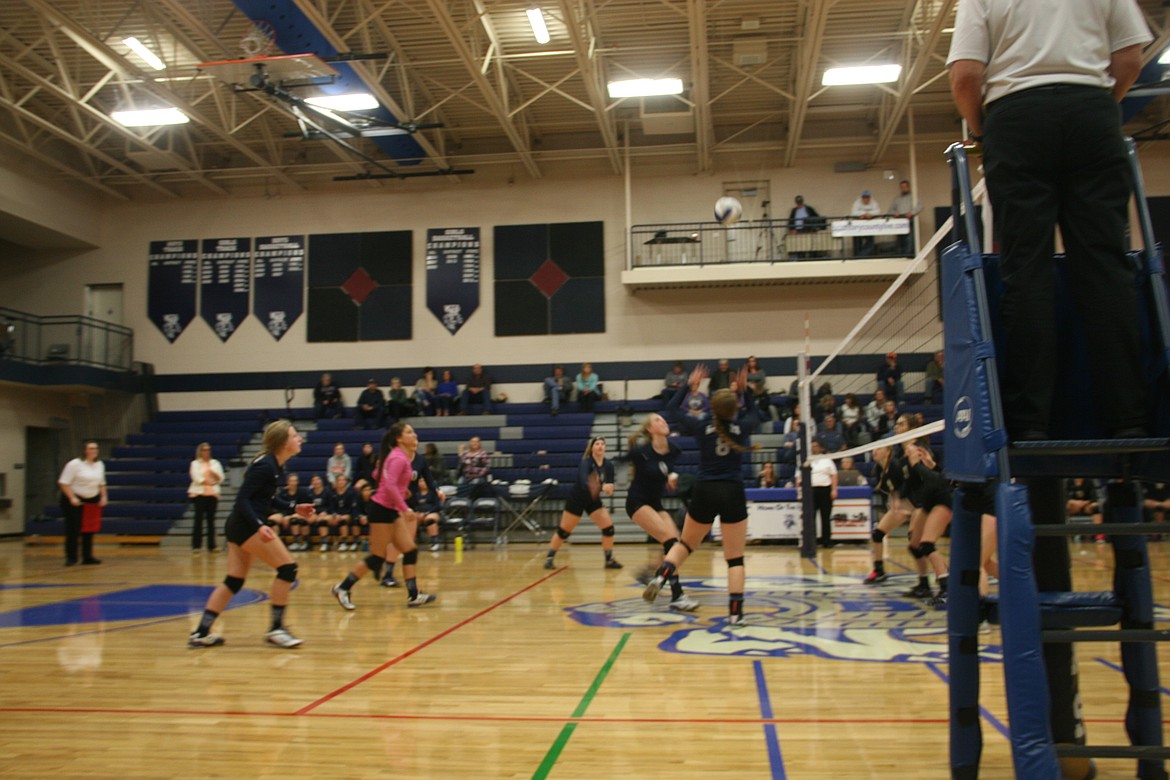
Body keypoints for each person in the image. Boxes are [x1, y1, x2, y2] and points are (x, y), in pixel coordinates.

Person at [947, 0, 1150, 441]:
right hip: (1092, 110)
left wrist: (984, 132)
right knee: (1107, 268)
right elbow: (1130, 59)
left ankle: (1029, 423)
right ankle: (1128, 419)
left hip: (1015, 120)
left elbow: (965, 77)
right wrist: (1097, 106)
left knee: (1026, 271)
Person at [644, 363, 760, 626]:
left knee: (685, 544)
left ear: (711, 408)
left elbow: (672, 410)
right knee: (734, 559)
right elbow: (756, 414)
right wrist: (746, 392)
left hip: (705, 489)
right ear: (735, 408)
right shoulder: (743, 427)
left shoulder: (701, 424)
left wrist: (689, 386)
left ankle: (661, 577)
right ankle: (735, 614)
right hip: (732, 490)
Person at [188, 420, 314, 649]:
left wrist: (293, 508)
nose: (300, 439)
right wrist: (258, 525)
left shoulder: (275, 465)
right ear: (284, 442)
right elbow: (243, 499)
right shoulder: (265, 466)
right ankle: (276, 629)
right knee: (288, 568)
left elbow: (266, 498)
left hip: (239, 525)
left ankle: (201, 632)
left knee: (234, 580)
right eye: (295, 436)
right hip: (246, 525)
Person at [331, 422, 437, 610]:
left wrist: (402, 491)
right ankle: (343, 587)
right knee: (377, 557)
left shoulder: (396, 456)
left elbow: (379, 476)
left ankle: (413, 595)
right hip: (381, 510)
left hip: (390, 509)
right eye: (409, 432)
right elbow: (389, 485)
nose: (414, 435)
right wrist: (405, 507)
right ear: (399, 438)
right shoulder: (399, 458)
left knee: (410, 550)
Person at [620, 414, 698, 611]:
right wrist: (607, 480)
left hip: (655, 502)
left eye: (664, 420)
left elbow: (664, 469)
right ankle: (677, 594)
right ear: (650, 429)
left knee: (677, 543)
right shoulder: (640, 451)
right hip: (637, 502)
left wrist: (671, 477)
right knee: (670, 542)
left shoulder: (674, 450)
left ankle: (651, 574)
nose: (663, 422)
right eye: (658, 421)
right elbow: (618, 462)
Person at [543, 436, 622, 570]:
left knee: (608, 528)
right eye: (597, 444)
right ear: (592, 448)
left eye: (603, 444)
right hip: (578, 498)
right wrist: (601, 487)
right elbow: (583, 482)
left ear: (605, 448)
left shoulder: (608, 465)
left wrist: (610, 488)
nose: (600, 446)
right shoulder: (586, 463)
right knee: (564, 531)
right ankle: (549, 558)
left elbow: (609, 482)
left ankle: (609, 559)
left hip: (593, 500)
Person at [57, 440, 108, 566]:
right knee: (73, 529)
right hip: (75, 500)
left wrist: (103, 497)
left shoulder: (99, 464)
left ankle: (87, 556)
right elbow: (63, 483)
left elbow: (101, 483)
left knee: (89, 529)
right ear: (85, 450)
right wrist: (72, 497)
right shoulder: (74, 464)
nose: (94, 450)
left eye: (95, 448)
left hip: (92, 500)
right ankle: (71, 557)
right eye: (91, 448)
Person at [187, 442, 225, 553]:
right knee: (198, 520)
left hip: (212, 494)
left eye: (208, 449)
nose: (207, 452)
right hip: (199, 494)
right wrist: (207, 481)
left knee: (211, 520)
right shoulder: (195, 463)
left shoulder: (215, 463)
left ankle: (212, 545)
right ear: (200, 451)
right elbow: (196, 477)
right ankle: (196, 546)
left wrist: (213, 477)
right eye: (204, 450)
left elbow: (221, 477)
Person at [803, 440, 839, 547]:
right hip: (811, 491)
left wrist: (834, 489)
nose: (814, 448)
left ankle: (826, 541)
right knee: (811, 517)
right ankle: (812, 541)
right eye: (812, 446)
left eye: (816, 446)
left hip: (825, 490)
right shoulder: (808, 460)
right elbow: (800, 475)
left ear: (820, 447)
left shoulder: (827, 459)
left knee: (825, 516)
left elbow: (834, 475)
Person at [267, 473, 306, 550]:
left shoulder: (302, 492)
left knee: (294, 520)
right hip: (284, 513)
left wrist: (290, 516)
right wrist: (284, 516)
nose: (293, 483)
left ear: (297, 482)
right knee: (271, 521)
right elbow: (279, 506)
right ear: (287, 482)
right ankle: (277, 542)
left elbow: (303, 507)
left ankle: (296, 542)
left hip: (297, 514)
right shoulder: (283, 492)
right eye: (291, 481)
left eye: (295, 481)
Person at [887, 180, 922, 256]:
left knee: (910, 241)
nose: (904, 188)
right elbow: (890, 210)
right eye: (902, 187)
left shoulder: (914, 197)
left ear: (909, 187)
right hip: (899, 223)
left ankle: (909, 256)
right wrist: (894, 213)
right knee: (900, 241)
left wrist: (912, 213)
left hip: (910, 221)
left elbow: (920, 206)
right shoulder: (897, 199)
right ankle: (901, 256)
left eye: (905, 187)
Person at [329, 474, 360, 551]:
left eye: (343, 480)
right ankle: (343, 543)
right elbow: (331, 507)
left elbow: (354, 506)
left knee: (353, 520)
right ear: (336, 482)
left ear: (346, 482)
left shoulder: (352, 492)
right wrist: (335, 515)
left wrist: (348, 515)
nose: (341, 482)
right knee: (332, 521)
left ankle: (355, 542)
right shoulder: (332, 493)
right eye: (339, 480)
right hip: (338, 515)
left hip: (349, 514)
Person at [305, 474, 335, 552]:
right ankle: (306, 542)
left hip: (326, 513)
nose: (316, 482)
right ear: (311, 483)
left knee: (322, 521)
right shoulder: (309, 492)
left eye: (317, 479)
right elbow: (307, 505)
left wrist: (325, 512)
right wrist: (311, 512)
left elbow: (332, 506)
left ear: (321, 481)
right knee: (303, 521)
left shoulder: (327, 491)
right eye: (314, 480)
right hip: (314, 513)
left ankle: (325, 543)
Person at [850, 189, 882, 257]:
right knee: (857, 243)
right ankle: (858, 256)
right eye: (864, 197)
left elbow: (878, 211)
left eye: (867, 197)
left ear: (870, 197)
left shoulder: (874, 203)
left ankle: (861, 256)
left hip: (869, 227)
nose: (866, 199)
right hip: (858, 227)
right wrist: (863, 214)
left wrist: (870, 214)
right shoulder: (857, 203)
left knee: (870, 243)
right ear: (862, 197)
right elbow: (854, 213)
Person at [744, 356, 770, 421]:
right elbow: (744, 380)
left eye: (753, 361)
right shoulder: (745, 372)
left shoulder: (761, 371)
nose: (752, 363)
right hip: (749, 391)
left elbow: (763, 381)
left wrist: (755, 384)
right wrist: (749, 384)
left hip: (760, 390)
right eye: (750, 361)